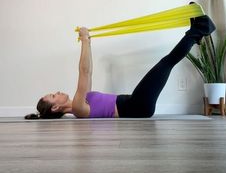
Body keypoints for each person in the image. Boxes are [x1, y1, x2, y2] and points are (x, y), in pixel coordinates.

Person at [25, 6, 216, 119]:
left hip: (136, 102)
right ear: (56, 107)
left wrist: (88, 42)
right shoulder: (77, 108)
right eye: (53, 95)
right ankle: (200, 29)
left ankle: (197, 31)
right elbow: (83, 72)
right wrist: (83, 39)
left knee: (166, 63)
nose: (56, 92)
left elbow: (88, 72)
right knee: (166, 63)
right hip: (137, 106)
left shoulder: (80, 104)